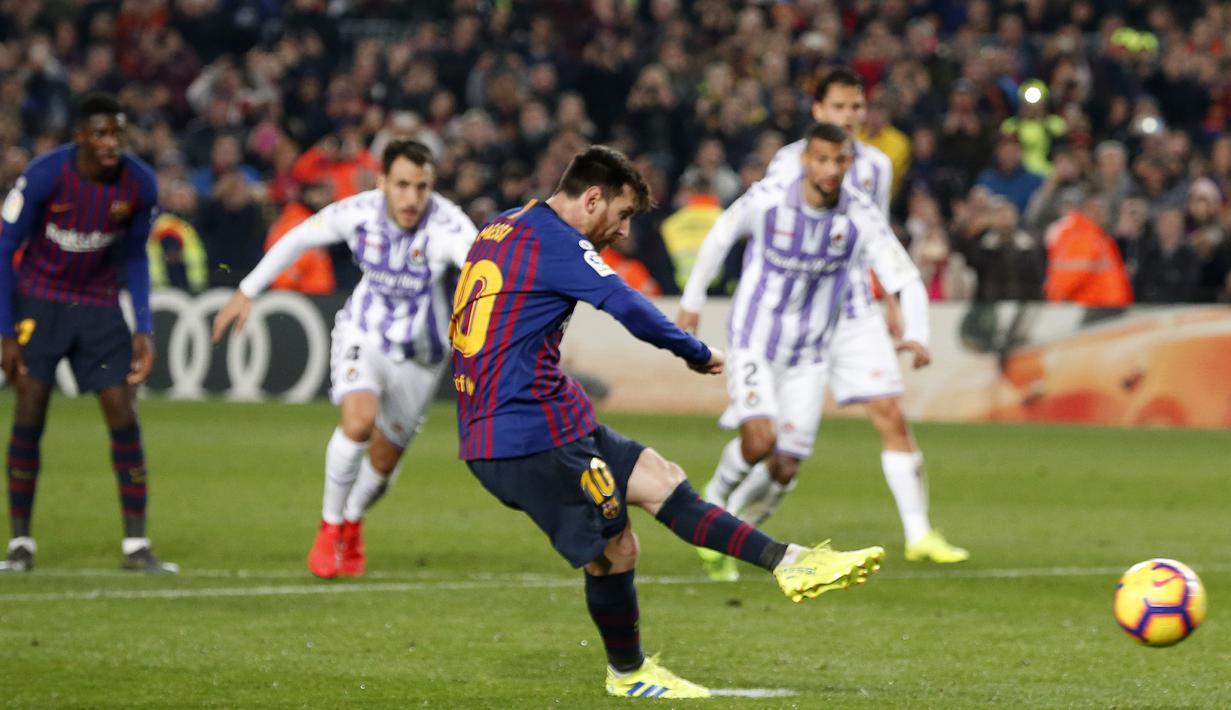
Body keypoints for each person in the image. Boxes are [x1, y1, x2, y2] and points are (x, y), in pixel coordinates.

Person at [451, 145, 884, 699]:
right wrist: (694, 351)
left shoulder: (504, 225)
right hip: (524, 434)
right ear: (590, 199)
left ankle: (788, 561)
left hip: (548, 414)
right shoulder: (558, 241)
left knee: (659, 477)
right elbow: (626, 304)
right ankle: (629, 674)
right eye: (623, 214)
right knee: (617, 551)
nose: (624, 232)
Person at [694, 69, 967, 581]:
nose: (850, 117)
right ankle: (721, 518)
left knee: (889, 411)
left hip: (855, 309)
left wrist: (890, 300)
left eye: (857, 108)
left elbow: (874, 235)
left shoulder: (879, 166)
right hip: (797, 314)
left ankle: (918, 533)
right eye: (840, 108)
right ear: (818, 112)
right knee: (769, 443)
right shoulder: (787, 162)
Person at [212, 139, 476, 578]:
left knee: (385, 460)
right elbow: (298, 239)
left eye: (422, 187)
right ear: (383, 183)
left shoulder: (447, 224)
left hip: (422, 354)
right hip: (364, 332)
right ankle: (329, 526)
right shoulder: (358, 212)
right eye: (403, 185)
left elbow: (478, 266)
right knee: (357, 422)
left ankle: (352, 519)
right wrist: (246, 291)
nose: (412, 198)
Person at [0, 93, 174, 573]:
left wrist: (142, 324)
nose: (110, 143)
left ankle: (136, 547)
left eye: (117, 133)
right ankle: (21, 544)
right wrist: (6, 331)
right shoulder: (43, 176)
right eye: (100, 134)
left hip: (99, 307)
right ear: (79, 137)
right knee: (30, 407)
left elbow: (136, 256)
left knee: (122, 410)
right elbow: (5, 246)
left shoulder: (139, 183)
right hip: (40, 301)